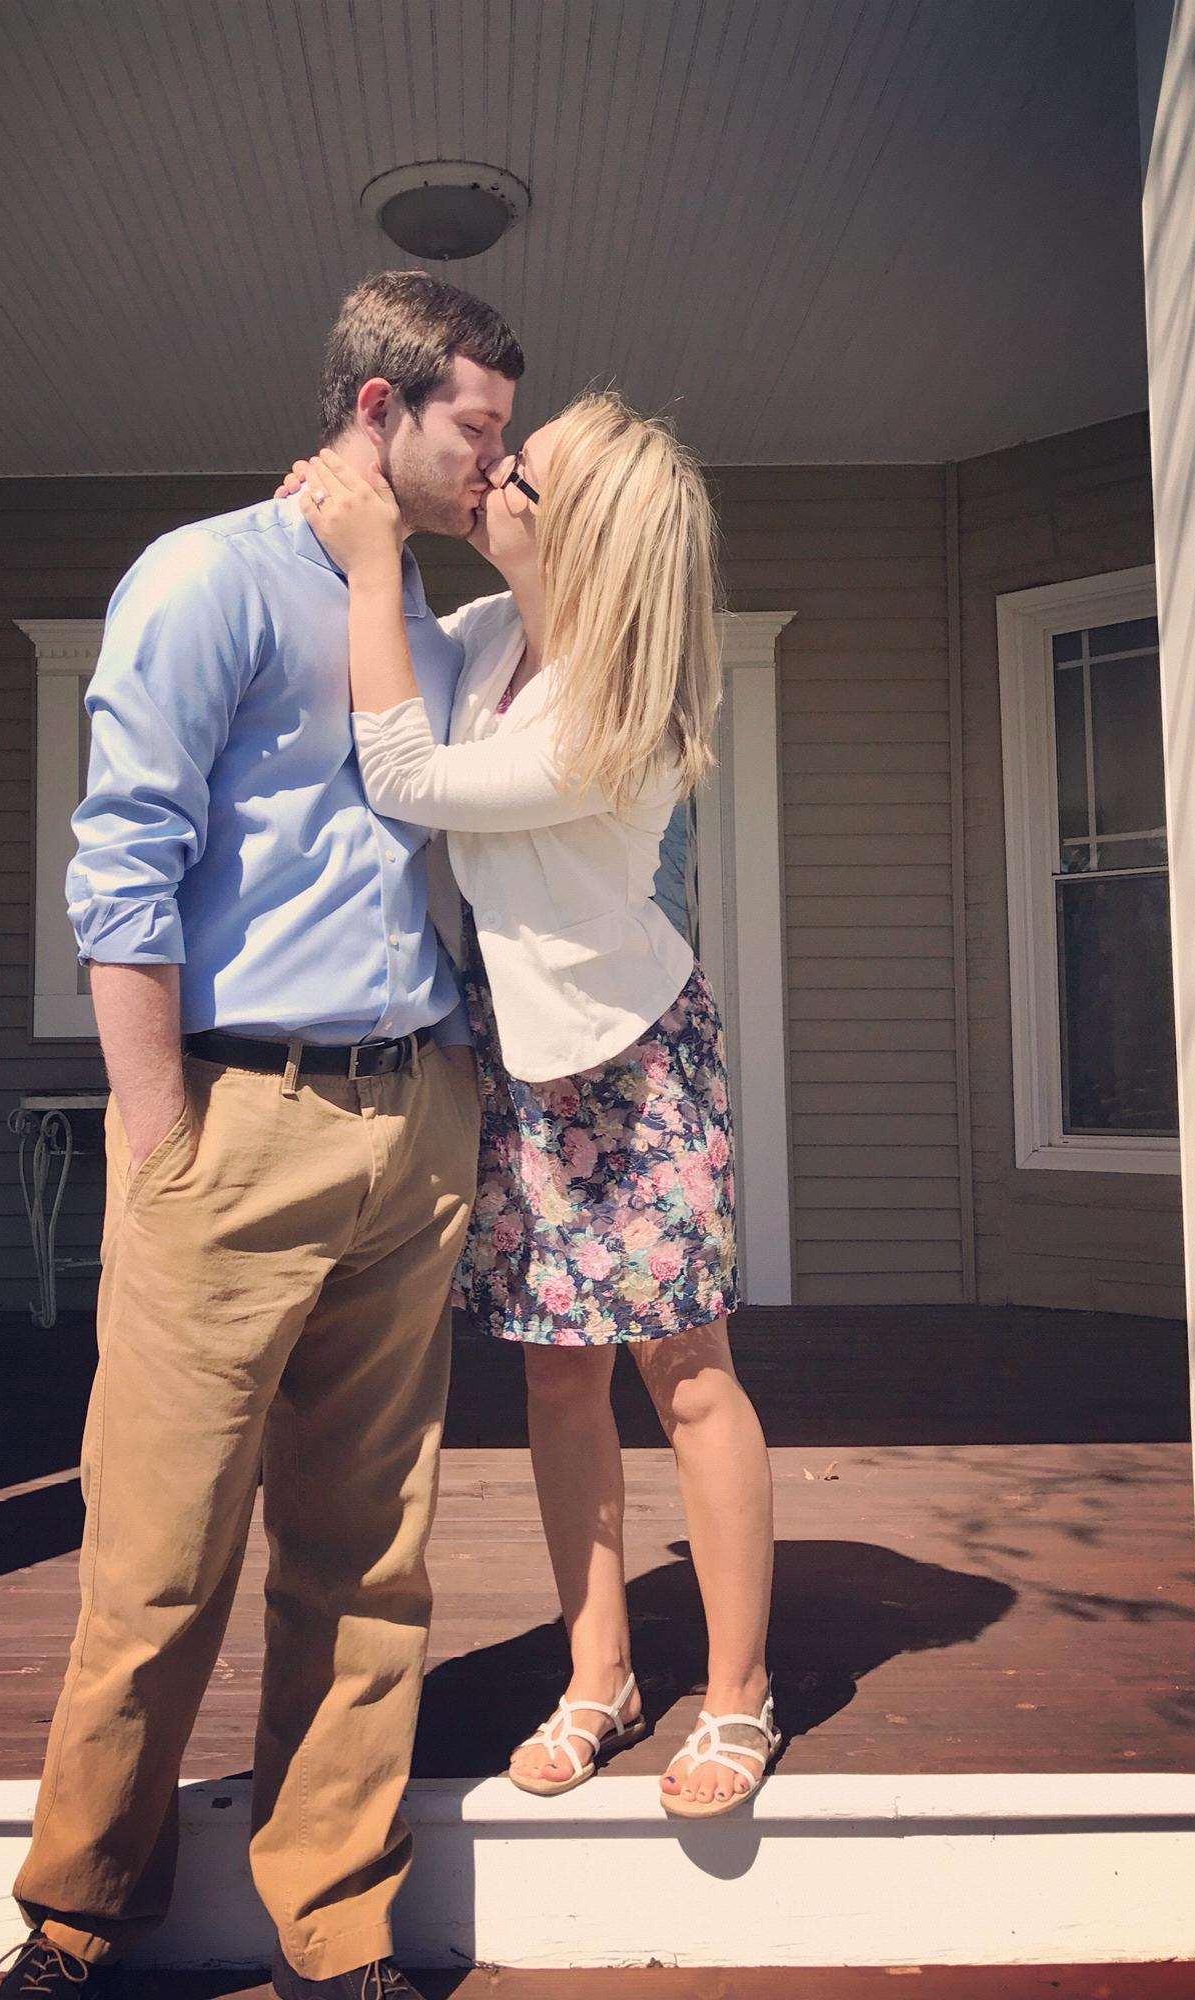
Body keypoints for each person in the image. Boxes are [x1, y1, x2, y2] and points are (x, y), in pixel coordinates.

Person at [0, 271, 522, 2000]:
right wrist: (158, 1134)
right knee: (157, 1552)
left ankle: (336, 1920)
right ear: (379, 408)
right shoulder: (205, 576)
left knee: (366, 1555)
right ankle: (78, 1914)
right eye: (476, 428)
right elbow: (123, 862)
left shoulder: (415, 611)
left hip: (411, 1116)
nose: (494, 460)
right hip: (234, 1121)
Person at [288, 392, 781, 1821]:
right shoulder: (495, 636)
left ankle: (739, 1692)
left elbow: (408, 773)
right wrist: (353, 539)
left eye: (526, 474)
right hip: (515, 1054)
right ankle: (599, 1679)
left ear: (589, 536)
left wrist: (372, 560)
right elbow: (388, 670)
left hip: (631, 1061)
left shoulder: (621, 711)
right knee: (558, 1373)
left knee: (683, 1371)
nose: (496, 475)